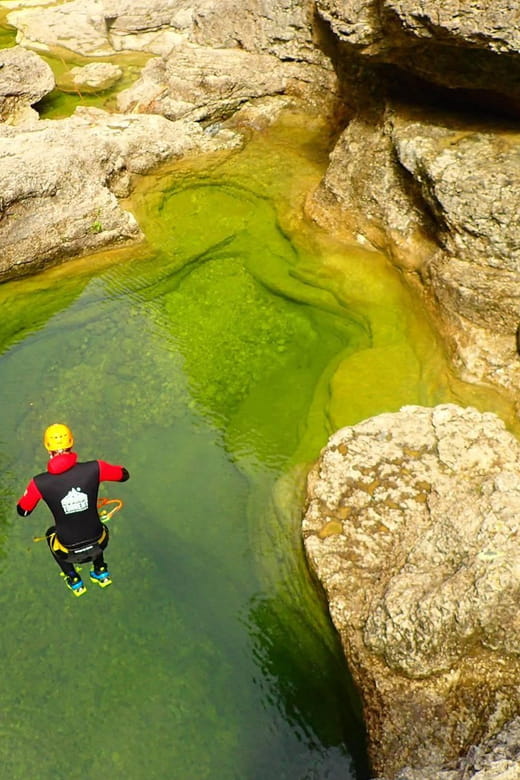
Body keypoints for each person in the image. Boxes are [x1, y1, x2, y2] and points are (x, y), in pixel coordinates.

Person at [17, 423, 129, 597]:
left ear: (48, 450)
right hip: (101, 542)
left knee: (50, 533)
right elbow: (124, 475)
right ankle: (100, 570)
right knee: (97, 527)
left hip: (67, 552)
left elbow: (23, 511)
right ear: (71, 443)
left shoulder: (39, 483)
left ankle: (73, 578)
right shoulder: (95, 468)